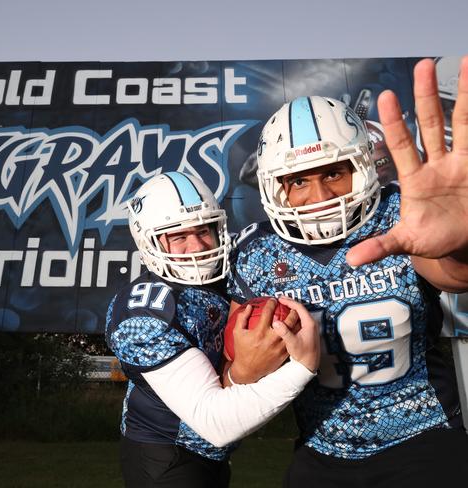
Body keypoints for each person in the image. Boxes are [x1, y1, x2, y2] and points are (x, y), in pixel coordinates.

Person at [227, 57, 468, 487]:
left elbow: (454, 276)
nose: (319, 195)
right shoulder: (255, 252)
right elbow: (237, 366)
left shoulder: (399, 213)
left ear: (361, 167)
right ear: (272, 186)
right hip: (321, 449)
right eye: (299, 181)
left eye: (334, 173)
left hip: (423, 437)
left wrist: (459, 243)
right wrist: (243, 371)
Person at [105, 171, 320, 488]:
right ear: (148, 241)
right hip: (167, 453)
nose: (197, 246)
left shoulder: (229, 276)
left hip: (214, 455)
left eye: (204, 229)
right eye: (178, 236)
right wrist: (303, 366)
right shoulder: (142, 312)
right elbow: (214, 422)